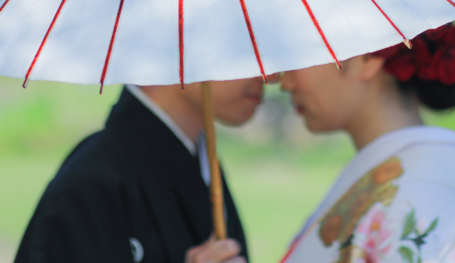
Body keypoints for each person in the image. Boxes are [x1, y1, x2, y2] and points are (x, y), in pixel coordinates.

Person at [279, 24, 455, 263]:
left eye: (300, 55)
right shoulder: (411, 184)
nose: (285, 82)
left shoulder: (413, 198)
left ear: (366, 58)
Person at [14, 77, 266, 263]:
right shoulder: (91, 184)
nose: (271, 75)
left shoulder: (205, 166)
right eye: (244, 44)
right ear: (177, 40)